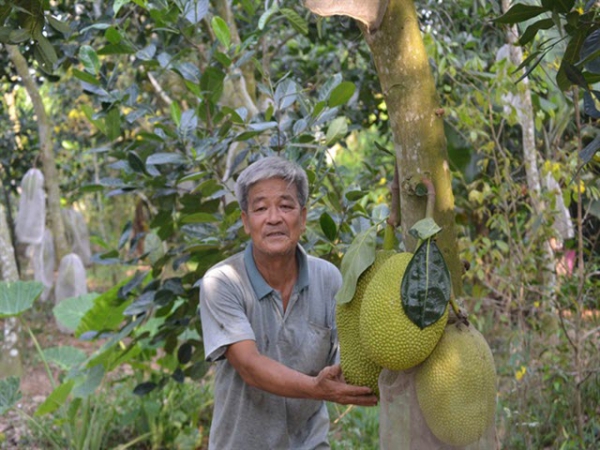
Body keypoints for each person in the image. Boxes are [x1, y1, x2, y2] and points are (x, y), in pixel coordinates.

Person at [198, 156, 378, 449]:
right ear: (245, 221)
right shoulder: (222, 282)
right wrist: (318, 389)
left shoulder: (329, 278)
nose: (273, 218)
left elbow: (343, 358)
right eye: (260, 208)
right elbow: (249, 365)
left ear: (303, 218)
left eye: (285, 206)